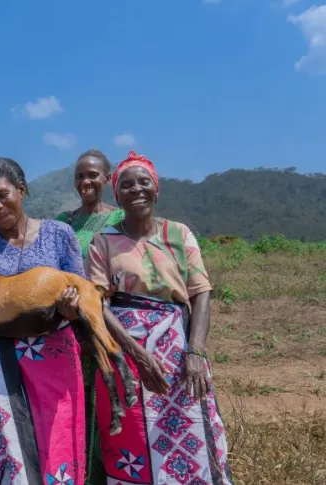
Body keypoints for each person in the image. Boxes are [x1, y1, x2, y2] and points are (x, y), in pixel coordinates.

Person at [85, 150, 234, 484]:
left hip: (178, 353)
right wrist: (137, 356)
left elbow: (201, 291)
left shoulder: (179, 234)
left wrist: (195, 352)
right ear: (116, 194)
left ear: (157, 189)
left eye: (144, 182)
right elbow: (97, 302)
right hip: (124, 353)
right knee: (133, 435)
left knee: (189, 426)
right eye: (126, 185)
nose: (136, 189)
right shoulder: (103, 241)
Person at [0, 157, 89, 484]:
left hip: (54, 362)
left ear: (21, 190)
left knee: (55, 444)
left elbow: (82, 292)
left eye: (2, 195)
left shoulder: (59, 234)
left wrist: (71, 307)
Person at [55, 149, 125, 485]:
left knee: (109, 402)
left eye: (93, 175)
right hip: (69, 329)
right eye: (80, 176)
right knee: (77, 407)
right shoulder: (63, 223)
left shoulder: (121, 219)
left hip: (108, 323)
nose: (86, 182)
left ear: (108, 178)